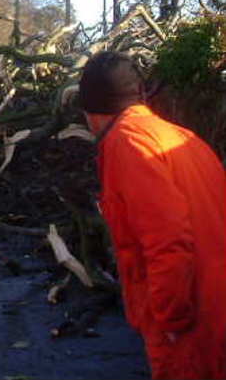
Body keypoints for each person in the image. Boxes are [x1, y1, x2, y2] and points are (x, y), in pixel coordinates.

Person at [78, 50, 226, 379]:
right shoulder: (177, 136)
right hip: (214, 303)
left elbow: (168, 241)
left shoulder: (127, 144)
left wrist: (171, 320)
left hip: (192, 319)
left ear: (92, 109)